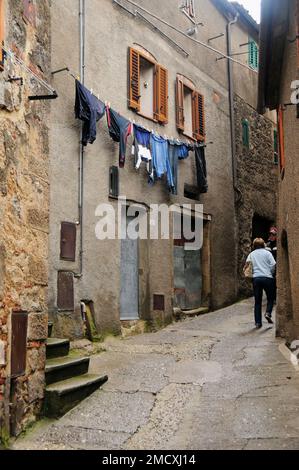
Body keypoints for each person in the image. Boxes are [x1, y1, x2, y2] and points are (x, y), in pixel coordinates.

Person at [245, 238, 276, 329]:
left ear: (254, 245)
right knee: (270, 298)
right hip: (268, 278)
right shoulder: (268, 253)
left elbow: (247, 265)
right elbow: (273, 264)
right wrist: (271, 273)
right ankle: (268, 313)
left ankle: (258, 322)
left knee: (257, 301)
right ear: (263, 245)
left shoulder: (251, 254)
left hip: (256, 278)